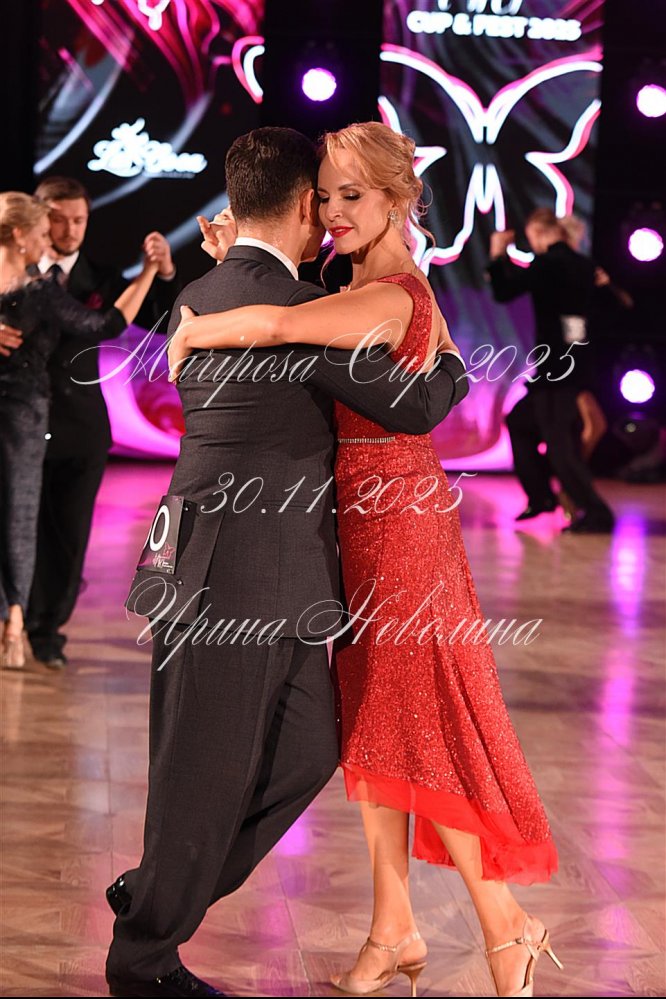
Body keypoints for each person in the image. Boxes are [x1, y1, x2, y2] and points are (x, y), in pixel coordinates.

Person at [168, 121, 561, 999]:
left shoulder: (389, 292)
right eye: (325, 197)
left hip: (400, 533)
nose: (335, 211)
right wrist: (241, 260)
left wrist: (196, 327)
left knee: (420, 725)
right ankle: (393, 928)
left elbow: (278, 323)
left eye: (352, 196)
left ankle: (507, 925)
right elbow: (414, 361)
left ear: (397, 199)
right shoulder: (359, 287)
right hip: (360, 524)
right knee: (376, 725)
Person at [104, 126, 468, 999]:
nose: (334, 217)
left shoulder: (208, 290)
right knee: (205, 771)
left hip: (252, 569)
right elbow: (420, 402)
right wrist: (450, 350)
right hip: (239, 573)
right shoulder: (296, 310)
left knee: (306, 748)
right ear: (306, 204)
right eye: (328, 201)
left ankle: (155, 893)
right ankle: (144, 957)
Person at [24, 176, 180, 669]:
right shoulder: (13, 271)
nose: (70, 230)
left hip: (80, 428)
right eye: (59, 219)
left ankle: (46, 631)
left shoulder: (105, 278)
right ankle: (14, 618)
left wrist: (163, 271)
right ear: (39, 217)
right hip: (17, 425)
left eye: (79, 220)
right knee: (17, 528)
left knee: (68, 537)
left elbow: (154, 317)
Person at [488, 208, 615, 533]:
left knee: (559, 445)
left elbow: (504, 291)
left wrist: (498, 254)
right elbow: (612, 308)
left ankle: (595, 512)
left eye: (531, 238)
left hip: (557, 369)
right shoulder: (585, 265)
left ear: (540, 233)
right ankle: (542, 495)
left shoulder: (547, 263)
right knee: (521, 422)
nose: (533, 244)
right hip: (572, 364)